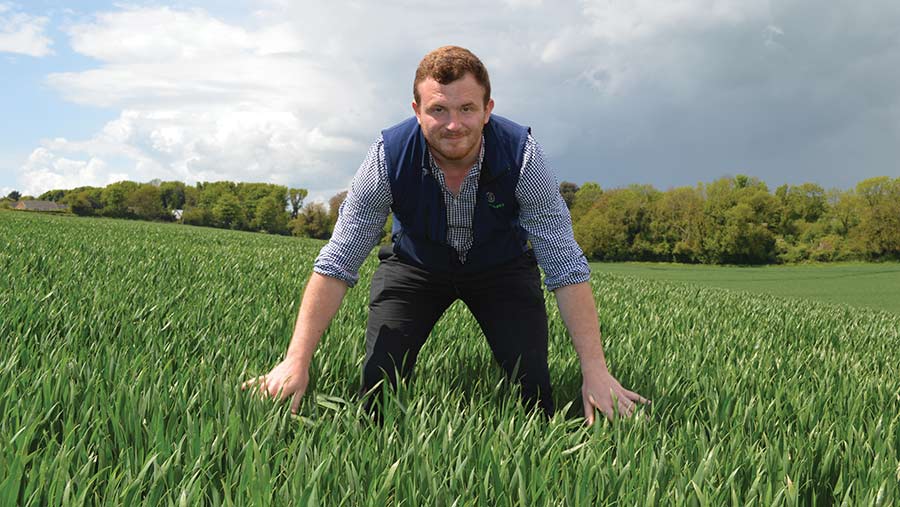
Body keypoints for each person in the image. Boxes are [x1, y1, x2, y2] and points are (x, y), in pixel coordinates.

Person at [242, 46, 648, 424]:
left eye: (467, 108)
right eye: (439, 109)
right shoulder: (387, 156)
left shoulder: (523, 155)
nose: (454, 124)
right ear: (417, 111)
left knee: (534, 400)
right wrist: (296, 360)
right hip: (416, 266)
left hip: (500, 268)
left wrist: (597, 372)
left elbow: (564, 264)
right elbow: (339, 260)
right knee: (376, 396)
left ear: (487, 109)